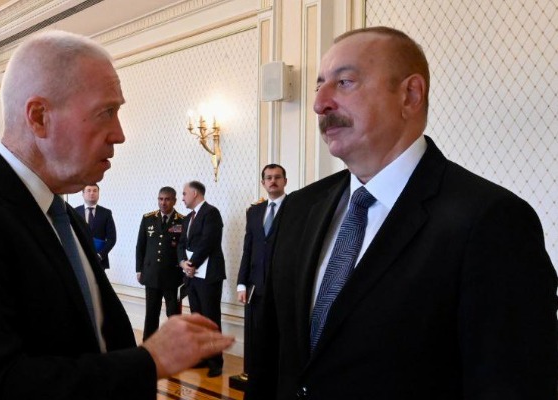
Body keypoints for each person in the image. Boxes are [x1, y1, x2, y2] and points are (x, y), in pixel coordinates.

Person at [245, 26, 557, 400]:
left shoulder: (492, 221)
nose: (320, 104)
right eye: (319, 85)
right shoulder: (299, 208)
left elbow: (512, 384)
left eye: (344, 82)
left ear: (410, 95)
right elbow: (270, 360)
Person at [0, 30, 233, 400]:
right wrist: (149, 361)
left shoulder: (63, 217)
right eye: (106, 112)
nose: (119, 134)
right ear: (39, 117)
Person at [236, 164, 287, 378]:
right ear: (263, 182)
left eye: (277, 177)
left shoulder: (294, 208)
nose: (273, 181)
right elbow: (248, 248)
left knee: (280, 334)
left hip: (283, 285)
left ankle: (278, 376)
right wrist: (241, 283)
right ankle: (256, 375)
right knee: (256, 334)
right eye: (269, 178)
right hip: (256, 286)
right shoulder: (254, 211)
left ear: (285, 181)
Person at [178, 181, 227, 378]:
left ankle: (215, 361)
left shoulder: (211, 213)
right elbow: (181, 244)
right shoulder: (187, 218)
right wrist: (183, 263)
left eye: (184, 193)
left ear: (195, 193)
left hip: (208, 276)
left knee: (210, 319)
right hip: (192, 276)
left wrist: (192, 264)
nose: (182, 198)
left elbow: (209, 242)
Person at [136, 186, 185, 340]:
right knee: (151, 313)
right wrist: (139, 269)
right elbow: (140, 246)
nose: (163, 203)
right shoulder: (148, 218)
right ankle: (148, 345)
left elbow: (184, 248)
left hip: (172, 276)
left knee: (173, 315)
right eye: (160, 199)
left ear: (174, 201)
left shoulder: (182, 221)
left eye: (167, 199)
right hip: (151, 274)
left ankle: (175, 345)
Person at [75, 183, 116, 269]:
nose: (92, 193)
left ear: (98, 193)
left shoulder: (106, 213)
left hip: (99, 260)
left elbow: (112, 239)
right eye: (88, 190)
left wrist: (100, 255)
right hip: (79, 259)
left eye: (95, 191)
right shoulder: (75, 212)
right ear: (83, 194)